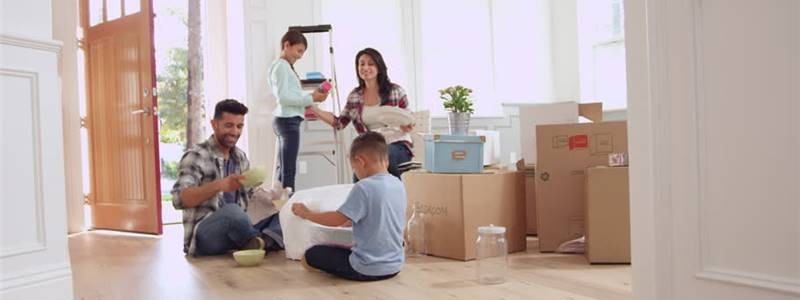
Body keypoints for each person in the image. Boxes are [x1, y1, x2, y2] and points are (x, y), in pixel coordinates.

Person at [171, 99, 280, 256]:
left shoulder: (240, 157)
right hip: (205, 236)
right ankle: (260, 241)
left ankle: (259, 241)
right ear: (214, 124)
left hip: (235, 232)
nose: (235, 132)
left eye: (239, 126)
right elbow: (178, 199)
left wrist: (275, 198)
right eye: (229, 125)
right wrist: (220, 185)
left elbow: (250, 196)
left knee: (285, 213)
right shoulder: (196, 156)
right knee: (233, 212)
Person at [292, 132, 406, 281]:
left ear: (360, 161)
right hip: (395, 266)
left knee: (310, 254)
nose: (355, 172)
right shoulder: (398, 184)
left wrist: (306, 213)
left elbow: (336, 220)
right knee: (345, 246)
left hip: (367, 269)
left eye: (354, 168)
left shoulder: (364, 187)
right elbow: (381, 215)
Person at [309, 48, 415, 180]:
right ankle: (361, 198)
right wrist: (314, 109)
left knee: (386, 157)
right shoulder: (355, 96)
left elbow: (410, 118)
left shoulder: (395, 90)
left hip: (397, 144)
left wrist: (407, 125)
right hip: (371, 146)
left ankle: (396, 195)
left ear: (379, 67)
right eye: (362, 64)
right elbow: (339, 123)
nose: (365, 67)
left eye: (370, 64)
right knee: (359, 167)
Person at [270, 29, 329, 190]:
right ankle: (286, 208)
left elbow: (290, 95)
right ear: (286, 45)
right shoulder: (282, 67)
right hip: (287, 120)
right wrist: (312, 98)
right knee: (288, 170)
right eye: (299, 50)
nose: (300, 56)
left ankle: (282, 206)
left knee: (285, 168)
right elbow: (283, 98)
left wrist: (312, 96)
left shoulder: (283, 67)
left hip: (287, 119)